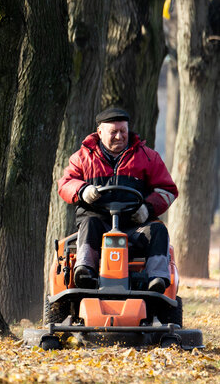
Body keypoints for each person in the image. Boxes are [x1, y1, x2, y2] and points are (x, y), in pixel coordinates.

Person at [57, 107, 178, 293]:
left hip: (134, 226)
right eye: (113, 132)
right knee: (89, 223)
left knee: (158, 230)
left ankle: (157, 280)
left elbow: (168, 190)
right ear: (100, 132)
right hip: (99, 225)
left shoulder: (148, 157)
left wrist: (147, 208)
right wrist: (83, 190)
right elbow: (65, 184)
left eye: (123, 131)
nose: (119, 136)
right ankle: (85, 272)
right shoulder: (82, 158)